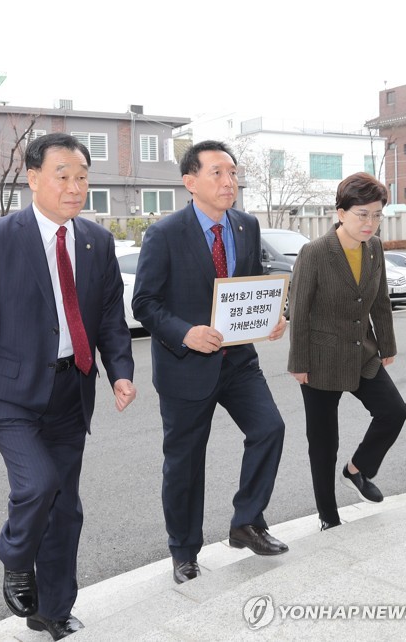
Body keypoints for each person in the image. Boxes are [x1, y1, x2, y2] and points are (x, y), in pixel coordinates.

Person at [0, 133, 136, 640]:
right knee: (37, 485)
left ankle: (52, 610)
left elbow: (110, 318)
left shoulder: (95, 243)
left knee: (65, 508)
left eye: (82, 177)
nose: (75, 187)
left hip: (70, 390)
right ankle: (14, 556)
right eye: (63, 176)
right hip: (8, 392)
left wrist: (120, 372)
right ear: (33, 179)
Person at [132, 140, 288, 585]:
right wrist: (185, 332)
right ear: (190, 181)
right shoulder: (164, 233)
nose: (228, 181)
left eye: (233, 173)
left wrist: (272, 317)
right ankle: (184, 551)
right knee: (185, 463)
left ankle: (247, 521)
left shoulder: (246, 225)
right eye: (217, 173)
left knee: (269, 428)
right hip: (185, 366)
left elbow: (253, 285)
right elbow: (145, 302)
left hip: (239, 361)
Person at [287, 172, 406, 531]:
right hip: (321, 358)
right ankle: (329, 517)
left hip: (363, 352)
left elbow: (381, 302)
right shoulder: (315, 252)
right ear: (340, 212)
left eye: (376, 215)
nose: (370, 223)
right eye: (362, 214)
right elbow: (299, 309)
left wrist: (386, 345)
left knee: (394, 412)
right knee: (323, 443)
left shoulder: (375, 249)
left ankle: (357, 470)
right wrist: (299, 363)